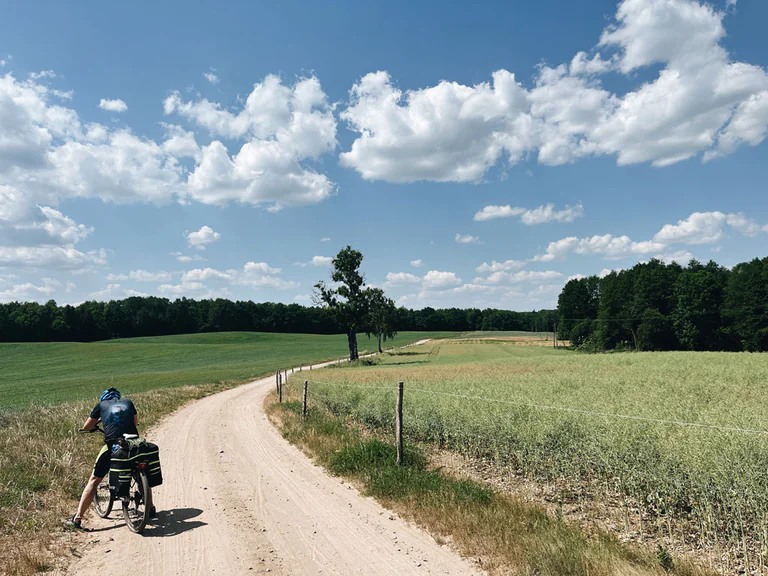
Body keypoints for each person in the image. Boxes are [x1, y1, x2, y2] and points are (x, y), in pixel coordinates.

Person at [66, 387, 140, 529]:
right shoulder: (128, 402)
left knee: (94, 480)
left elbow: (87, 426)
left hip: (113, 445)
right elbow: (135, 422)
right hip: (134, 444)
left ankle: (78, 517)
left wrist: (98, 423)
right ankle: (151, 507)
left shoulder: (101, 406)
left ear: (103, 398)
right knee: (138, 471)